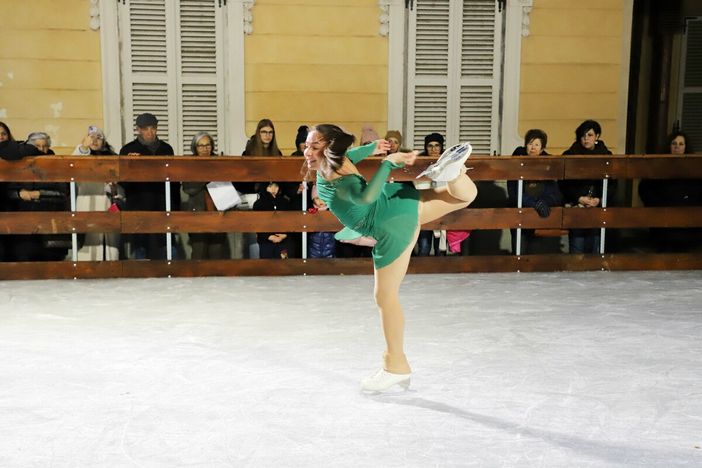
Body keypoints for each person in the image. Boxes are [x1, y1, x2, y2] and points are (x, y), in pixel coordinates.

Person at [304, 124, 477, 392]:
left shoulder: (341, 179)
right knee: (462, 197)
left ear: (330, 150)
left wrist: (386, 163)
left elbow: (365, 197)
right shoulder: (335, 162)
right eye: (307, 145)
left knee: (385, 297)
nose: (307, 152)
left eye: (314, 146)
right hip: (397, 202)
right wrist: (372, 148)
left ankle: (395, 365)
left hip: (388, 223)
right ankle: (455, 174)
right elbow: (353, 155)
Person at [119, 112, 178, 260]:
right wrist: (131, 165)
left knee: (167, 245)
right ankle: (141, 272)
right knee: (140, 247)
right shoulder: (128, 150)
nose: (150, 132)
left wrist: (175, 206)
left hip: (163, 204)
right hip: (139, 205)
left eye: (153, 128)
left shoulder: (166, 149)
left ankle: (171, 271)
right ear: (138, 130)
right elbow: (123, 181)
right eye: (145, 129)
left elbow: (174, 180)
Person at [5, 132, 70, 261]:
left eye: (44, 146)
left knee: (51, 259)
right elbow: (7, 191)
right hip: (23, 221)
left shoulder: (56, 164)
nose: (41, 149)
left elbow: (63, 192)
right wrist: (19, 194)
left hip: (50, 219)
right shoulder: (19, 164)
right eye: (37, 146)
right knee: (24, 256)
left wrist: (39, 194)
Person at [639, 131, 701, 252]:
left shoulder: (694, 168)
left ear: (686, 147)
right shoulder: (658, 166)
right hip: (663, 220)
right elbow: (645, 189)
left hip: (688, 222)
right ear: (669, 146)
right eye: (674, 143)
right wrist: (659, 206)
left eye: (681, 144)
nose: (677, 147)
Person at [560, 120, 615, 254]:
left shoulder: (606, 155)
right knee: (577, 247)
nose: (586, 138)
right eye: (583, 135)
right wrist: (578, 198)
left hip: (597, 206)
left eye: (590, 135)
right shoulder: (570, 155)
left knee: (595, 246)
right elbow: (563, 184)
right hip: (577, 205)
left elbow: (613, 184)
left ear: (597, 136)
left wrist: (599, 200)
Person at [507, 129, 563, 254]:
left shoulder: (547, 166)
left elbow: (556, 194)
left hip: (540, 216)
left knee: (535, 252)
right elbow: (514, 192)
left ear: (542, 149)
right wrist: (535, 203)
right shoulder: (517, 162)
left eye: (537, 145)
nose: (533, 147)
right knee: (519, 250)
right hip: (520, 214)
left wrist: (545, 202)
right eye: (530, 143)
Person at [73, 126, 124, 260]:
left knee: (110, 246)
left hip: (108, 205)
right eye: (92, 137)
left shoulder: (113, 158)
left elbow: (122, 185)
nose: (95, 140)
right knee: (88, 245)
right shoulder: (81, 154)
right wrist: (84, 146)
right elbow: (75, 161)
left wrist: (116, 190)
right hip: (87, 204)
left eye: (99, 137)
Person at [181, 132, 231, 259]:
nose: (205, 149)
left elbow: (226, 188)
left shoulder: (219, 163)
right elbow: (188, 188)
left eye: (208, 145)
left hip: (218, 214)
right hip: (197, 215)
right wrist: (207, 176)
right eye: (201, 146)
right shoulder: (190, 164)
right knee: (199, 254)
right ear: (195, 148)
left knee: (217, 254)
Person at [252, 182, 292, 258]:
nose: (274, 189)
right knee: (267, 263)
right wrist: (268, 236)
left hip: (283, 241)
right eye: (270, 186)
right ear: (264, 187)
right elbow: (257, 224)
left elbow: (290, 221)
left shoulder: (285, 202)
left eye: (276, 186)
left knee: (283, 263)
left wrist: (285, 235)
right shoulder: (259, 204)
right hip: (266, 241)